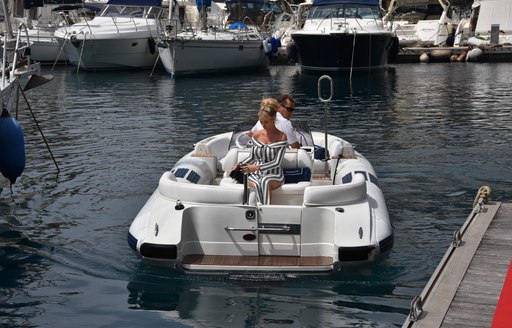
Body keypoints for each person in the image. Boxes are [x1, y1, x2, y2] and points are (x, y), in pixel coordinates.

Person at [238, 100, 288, 204]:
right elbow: (252, 157)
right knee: (257, 182)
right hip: (256, 173)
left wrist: (256, 167)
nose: (263, 125)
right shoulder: (256, 135)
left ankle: (265, 211)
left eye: (266, 122)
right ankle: (256, 211)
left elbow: (276, 163)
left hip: (275, 174)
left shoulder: (282, 136)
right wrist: (240, 165)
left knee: (265, 181)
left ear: (273, 119)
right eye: (261, 122)